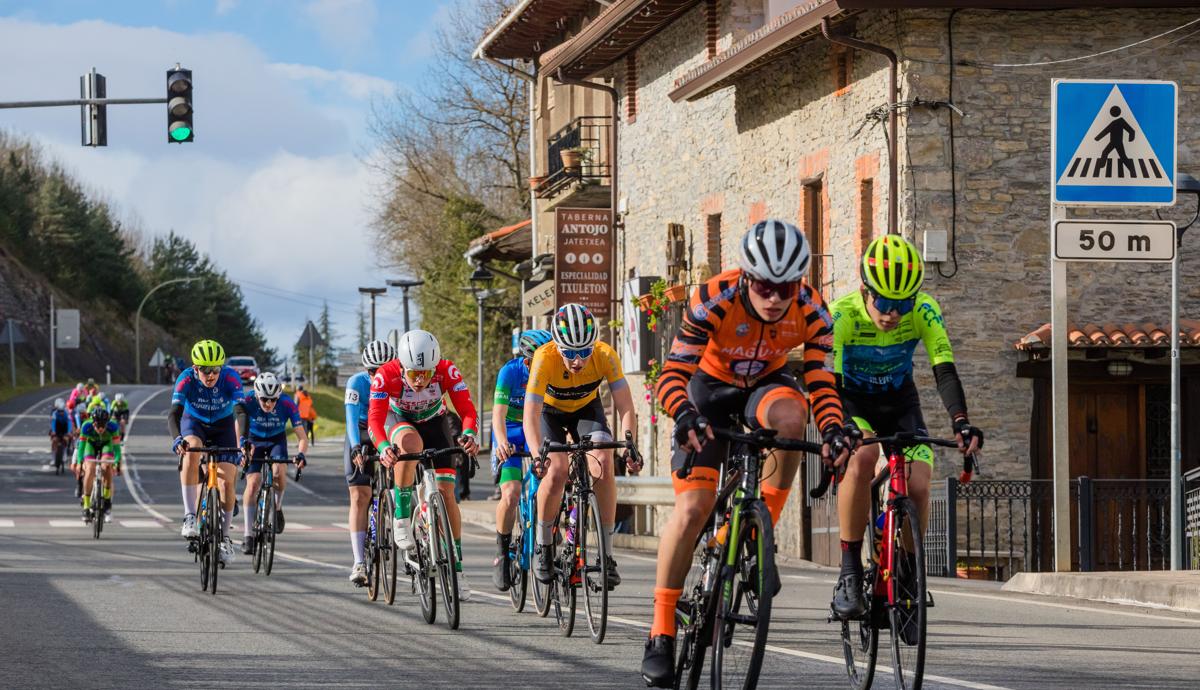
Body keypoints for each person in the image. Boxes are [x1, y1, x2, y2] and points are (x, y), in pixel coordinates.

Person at [640, 219, 854, 687]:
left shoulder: (814, 310)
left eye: (785, 287)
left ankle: (762, 530)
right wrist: (683, 415)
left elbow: (820, 378)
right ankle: (661, 629)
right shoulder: (714, 297)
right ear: (745, 277)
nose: (774, 298)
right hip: (709, 390)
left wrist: (835, 428)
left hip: (764, 386)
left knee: (794, 418)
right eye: (763, 285)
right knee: (694, 507)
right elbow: (673, 373)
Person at [827, 235, 982, 620]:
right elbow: (833, 383)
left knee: (916, 483)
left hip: (900, 403)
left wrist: (961, 421)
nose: (893, 313)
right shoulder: (841, 314)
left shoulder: (926, 311)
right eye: (884, 301)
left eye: (903, 304)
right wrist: (843, 426)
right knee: (862, 457)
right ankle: (849, 570)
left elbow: (943, 368)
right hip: (853, 402)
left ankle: (910, 573)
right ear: (864, 289)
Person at [525, 303, 639, 589]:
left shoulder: (605, 354)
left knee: (603, 460)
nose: (577, 361)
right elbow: (530, 415)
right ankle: (543, 544)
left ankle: (607, 554)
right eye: (570, 353)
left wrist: (629, 443)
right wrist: (538, 453)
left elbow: (625, 405)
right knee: (557, 470)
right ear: (557, 346)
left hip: (586, 409)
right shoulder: (544, 357)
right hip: (548, 414)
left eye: (584, 352)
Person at [368, 329, 480, 600]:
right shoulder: (386, 375)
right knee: (410, 445)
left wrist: (469, 434)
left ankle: (457, 566)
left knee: (446, 493)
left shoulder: (446, 370)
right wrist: (383, 449)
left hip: (434, 420)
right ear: (403, 366)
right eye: (415, 374)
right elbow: (374, 420)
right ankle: (402, 518)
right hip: (399, 419)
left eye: (427, 374)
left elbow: (467, 411)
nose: (420, 380)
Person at [168, 339, 249, 566]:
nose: (211, 375)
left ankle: (224, 538)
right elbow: (174, 413)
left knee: (226, 484)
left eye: (215, 369)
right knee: (191, 449)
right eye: (205, 370)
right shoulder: (185, 379)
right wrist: (177, 439)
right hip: (194, 423)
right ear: (196, 369)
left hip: (223, 426)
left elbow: (241, 411)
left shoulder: (230, 377)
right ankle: (190, 516)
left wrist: (242, 439)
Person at [490, 329, 552, 592]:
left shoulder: (552, 370)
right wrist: (502, 441)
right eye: (535, 361)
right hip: (512, 431)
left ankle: (546, 540)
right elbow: (498, 414)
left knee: (551, 486)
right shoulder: (510, 372)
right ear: (526, 359)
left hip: (537, 428)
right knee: (512, 494)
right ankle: (503, 552)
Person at [344, 339, 395, 585]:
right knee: (359, 496)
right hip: (363, 431)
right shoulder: (356, 383)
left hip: (386, 430)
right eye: (373, 371)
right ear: (367, 370)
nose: (379, 376)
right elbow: (351, 419)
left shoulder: (399, 380)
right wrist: (355, 447)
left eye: (384, 369)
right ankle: (358, 561)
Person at [240, 372, 308, 555]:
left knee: (279, 473)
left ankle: (277, 508)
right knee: (253, 483)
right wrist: (241, 446)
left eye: (272, 400)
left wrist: (301, 454)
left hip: (277, 440)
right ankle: (248, 535)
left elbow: (302, 435)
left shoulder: (287, 403)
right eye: (264, 399)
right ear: (256, 395)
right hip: (253, 440)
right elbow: (236, 425)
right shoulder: (247, 400)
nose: (269, 404)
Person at [76, 407, 122, 523]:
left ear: (107, 423)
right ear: (93, 423)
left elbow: (117, 449)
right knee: (90, 469)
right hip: (90, 446)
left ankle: (107, 499)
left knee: (106, 466)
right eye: (97, 426)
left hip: (106, 445)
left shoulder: (113, 427)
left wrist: (117, 461)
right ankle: (86, 505)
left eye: (103, 425)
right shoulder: (86, 426)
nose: (100, 429)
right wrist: (79, 462)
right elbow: (81, 448)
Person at [48, 398, 73, 472]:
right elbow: (53, 423)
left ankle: (64, 453)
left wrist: (69, 432)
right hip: (57, 428)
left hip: (64, 428)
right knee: (54, 441)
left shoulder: (67, 413)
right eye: (60, 411)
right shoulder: (54, 413)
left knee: (66, 439)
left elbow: (69, 423)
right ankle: (53, 458)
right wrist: (53, 431)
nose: (61, 413)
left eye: (62, 411)